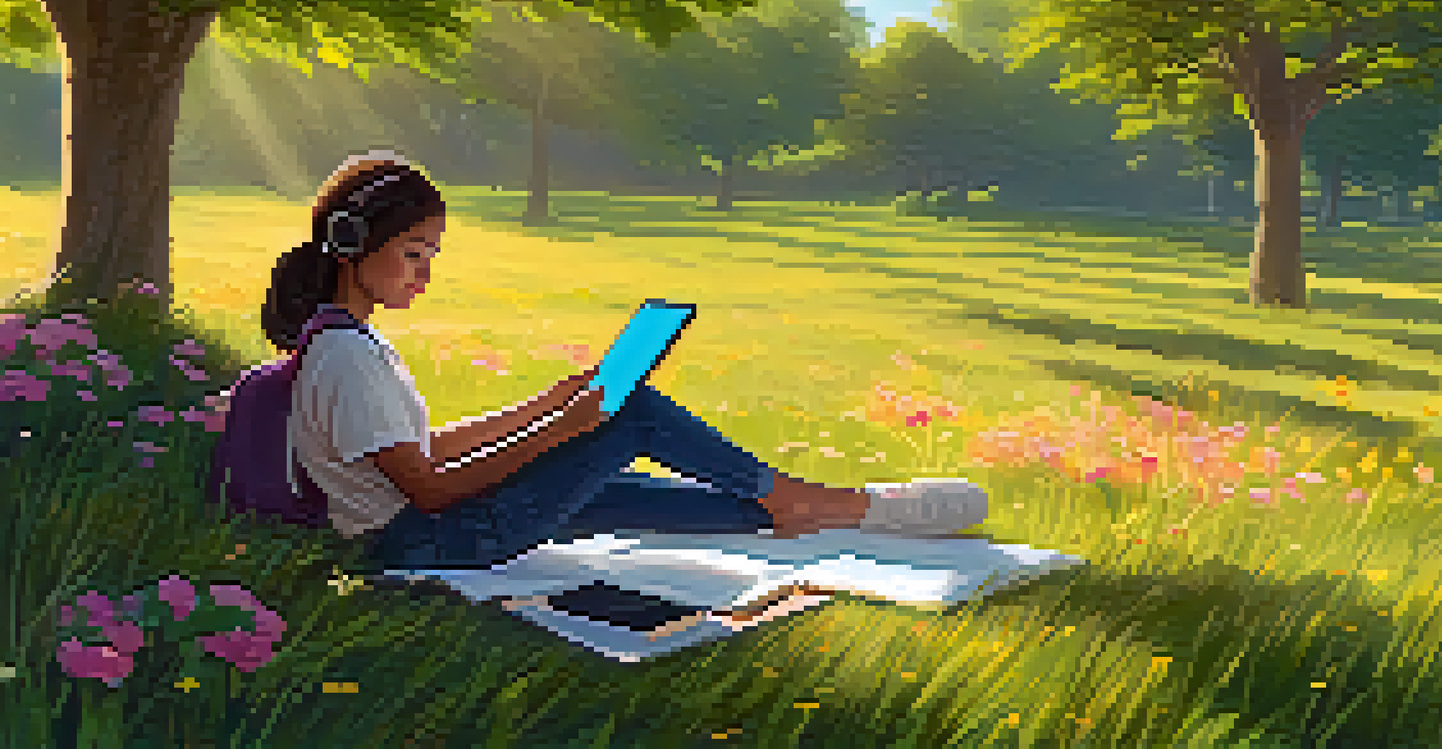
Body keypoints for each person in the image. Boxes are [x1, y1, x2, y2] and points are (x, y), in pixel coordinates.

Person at [262, 151, 989, 570]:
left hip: (423, 526)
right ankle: (799, 497)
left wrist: (546, 405)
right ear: (355, 247)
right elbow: (427, 491)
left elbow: (419, 453)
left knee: (610, 486)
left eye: (432, 256)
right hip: (424, 540)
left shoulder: (349, 341)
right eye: (414, 254)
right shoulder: (344, 359)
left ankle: (835, 511)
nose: (425, 274)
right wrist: (564, 431)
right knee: (630, 415)